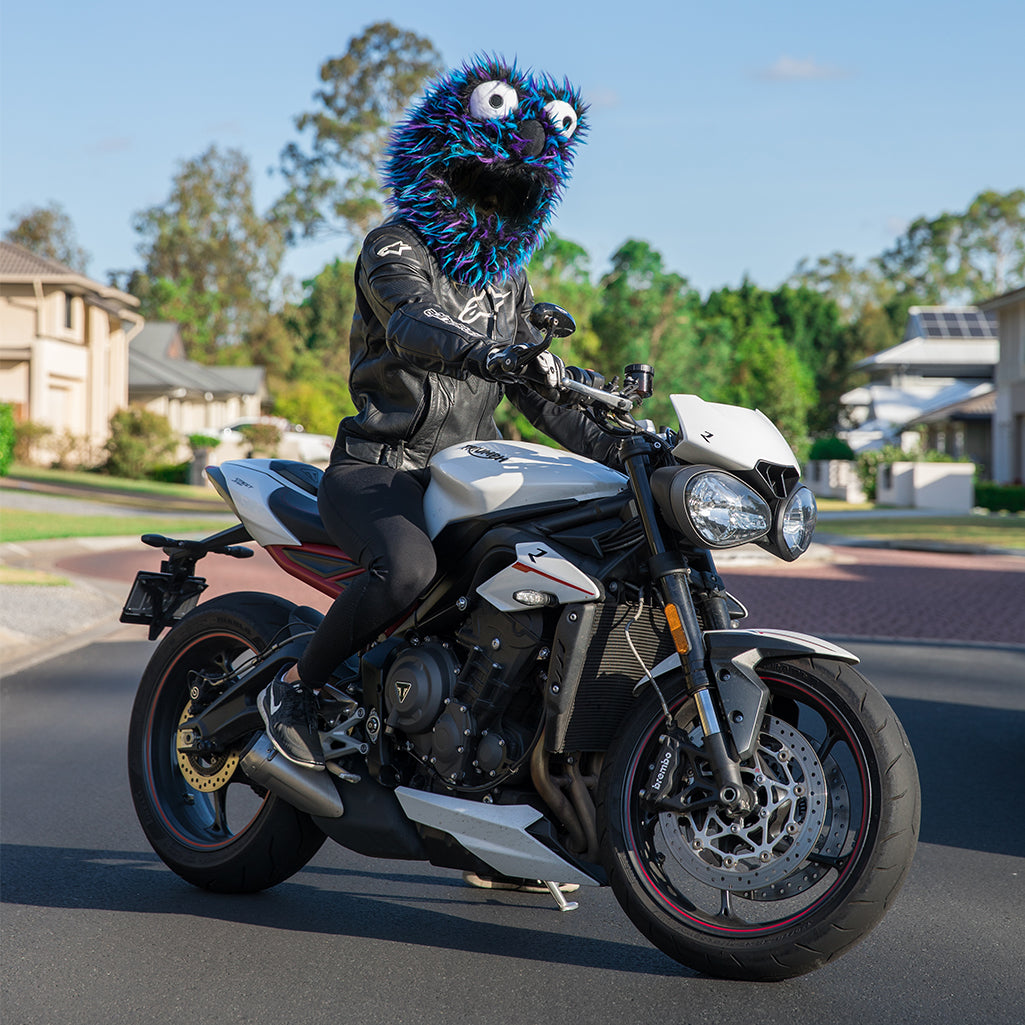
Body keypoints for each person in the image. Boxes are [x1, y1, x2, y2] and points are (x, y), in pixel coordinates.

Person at [258, 56, 618, 777]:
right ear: (444, 167)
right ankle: (294, 690)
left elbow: (539, 391)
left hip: (466, 479)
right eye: (478, 185)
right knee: (406, 570)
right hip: (380, 469)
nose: (490, 203)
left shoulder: (507, 280)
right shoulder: (394, 247)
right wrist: (487, 353)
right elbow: (412, 325)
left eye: (507, 196)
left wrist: (631, 447)